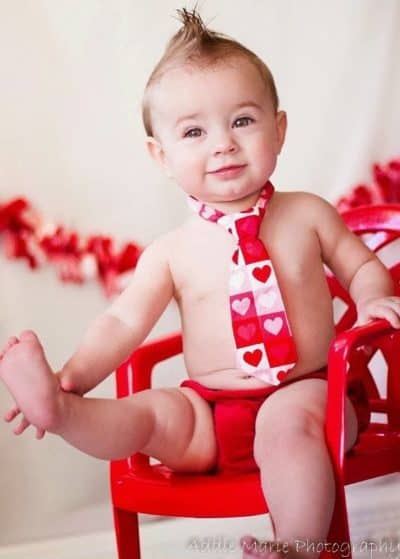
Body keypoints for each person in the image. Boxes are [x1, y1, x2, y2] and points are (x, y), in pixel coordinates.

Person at [0, 8, 399, 559]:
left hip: (310, 395)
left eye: (242, 121)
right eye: (194, 131)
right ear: (161, 156)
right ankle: (62, 410)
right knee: (150, 414)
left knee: (286, 431)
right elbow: (122, 322)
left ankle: (299, 548)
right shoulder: (172, 251)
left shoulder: (308, 213)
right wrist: (76, 375)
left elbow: (359, 266)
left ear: (278, 129)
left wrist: (375, 296)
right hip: (212, 412)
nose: (223, 145)